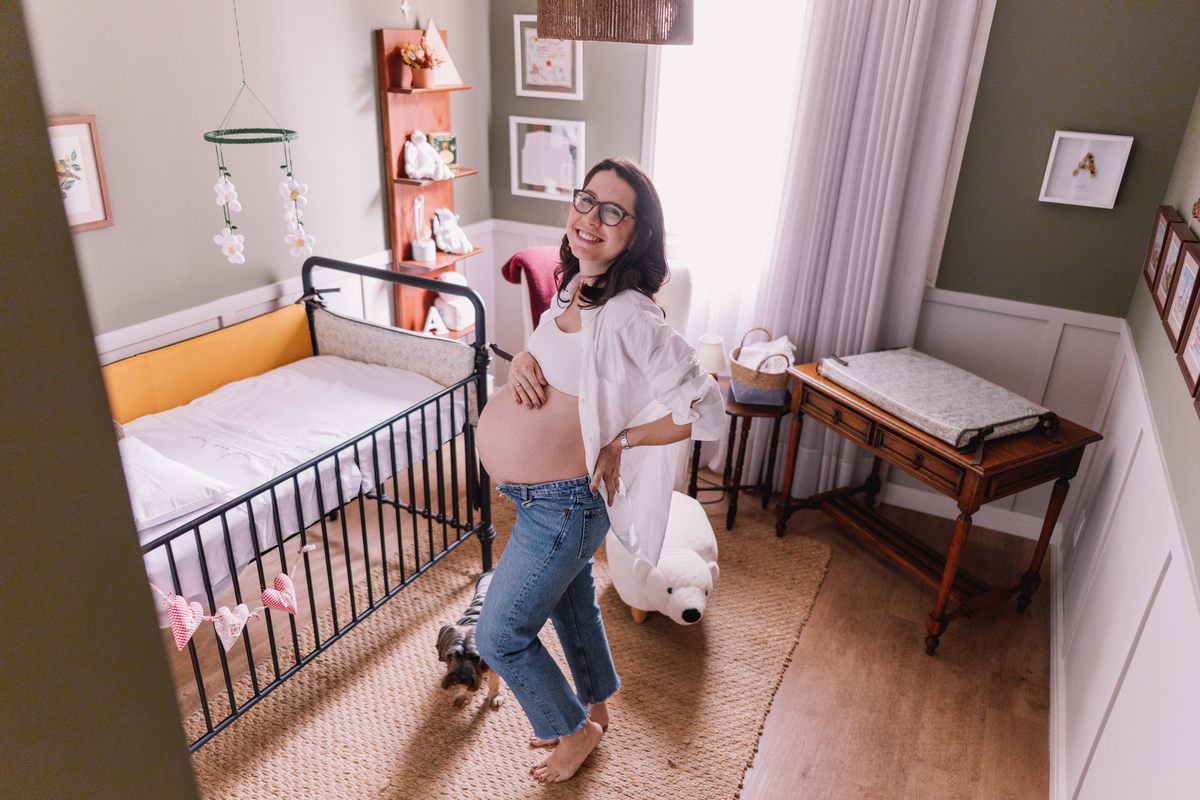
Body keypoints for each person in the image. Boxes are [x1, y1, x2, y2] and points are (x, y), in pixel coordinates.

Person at [473, 157, 725, 783]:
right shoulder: (573, 287)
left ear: (636, 234)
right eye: (586, 200)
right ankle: (596, 708)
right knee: (571, 605)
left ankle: (571, 730)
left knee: (499, 634)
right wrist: (524, 362)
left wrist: (624, 441)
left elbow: (708, 409)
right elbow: (554, 363)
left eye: (613, 211)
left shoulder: (631, 313)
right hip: (536, 498)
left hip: (566, 504)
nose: (591, 218)